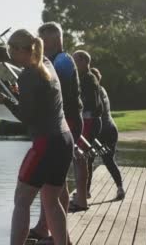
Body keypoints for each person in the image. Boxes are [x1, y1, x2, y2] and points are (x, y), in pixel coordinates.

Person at [0, 29, 74, 245]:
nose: (9, 54)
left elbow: (26, 117)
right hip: (65, 140)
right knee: (51, 201)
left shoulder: (28, 75)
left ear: (23, 50)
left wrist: (7, 101)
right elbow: (3, 53)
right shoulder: (46, 62)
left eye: (13, 50)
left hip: (45, 143)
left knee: (21, 201)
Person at [27, 22, 88, 241]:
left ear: (53, 39)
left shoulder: (62, 60)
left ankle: (52, 232)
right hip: (63, 122)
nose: (38, 43)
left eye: (41, 39)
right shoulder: (54, 60)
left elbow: (54, 91)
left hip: (67, 122)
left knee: (51, 182)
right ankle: (48, 229)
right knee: (56, 182)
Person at [72, 50, 103, 200]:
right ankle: (84, 191)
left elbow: (89, 103)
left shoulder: (88, 79)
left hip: (90, 121)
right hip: (89, 121)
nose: (73, 63)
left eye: (75, 60)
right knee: (83, 157)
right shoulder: (85, 77)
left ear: (84, 61)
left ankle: (84, 193)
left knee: (83, 157)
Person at [91, 67, 125, 200]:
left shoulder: (94, 91)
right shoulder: (102, 89)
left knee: (89, 159)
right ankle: (120, 188)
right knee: (107, 160)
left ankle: (86, 191)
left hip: (102, 132)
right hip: (110, 129)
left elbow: (95, 112)